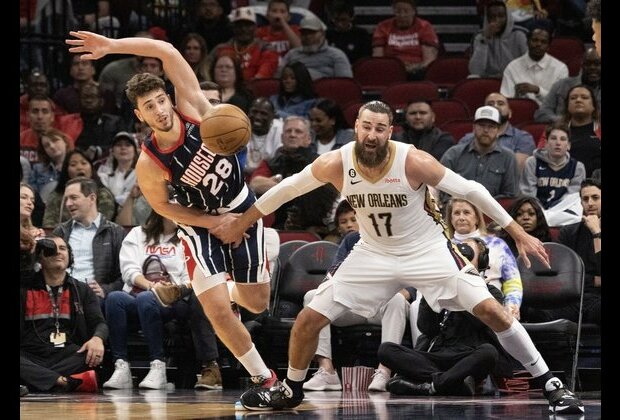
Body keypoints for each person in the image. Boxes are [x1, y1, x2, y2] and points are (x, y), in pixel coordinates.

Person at [211, 100, 583, 414]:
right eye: (366, 127)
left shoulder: (413, 161)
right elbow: (288, 189)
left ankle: (550, 382)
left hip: (428, 249)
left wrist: (515, 230)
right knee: (308, 318)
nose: (372, 135)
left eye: (380, 129)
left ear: (391, 131)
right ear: (356, 126)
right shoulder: (336, 162)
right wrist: (242, 222)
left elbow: (470, 189)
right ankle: (289, 389)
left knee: (491, 310)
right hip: (373, 251)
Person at [66, 30, 278, 392]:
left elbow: (165, 49)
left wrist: (112, 47)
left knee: (256, 304)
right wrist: (214, 222)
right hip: (200, 224)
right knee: (215, 311)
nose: (160, 110)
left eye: (161, 100)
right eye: (150, 107)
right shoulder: (149, 163)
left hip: (241, 206)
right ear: (140, 115)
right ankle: (265, 378)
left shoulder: (193, 108)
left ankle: (213, 287)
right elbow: (166, 207)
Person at [103, 210, 223, 390]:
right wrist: (152, 286)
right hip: (140, 293)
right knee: (114, 299)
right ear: (161, 209)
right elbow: (129, 270)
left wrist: (168, 290)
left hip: (173, 300)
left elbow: (189, 276)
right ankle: (121, 366)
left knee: (146, 298)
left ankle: (158, 366)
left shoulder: (188, 239)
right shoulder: (137, 234)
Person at [380, 240, 515, 396]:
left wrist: (463, 290)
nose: (461, 259)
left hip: (468, 357)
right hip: (437, 357)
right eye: (456, 255)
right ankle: (449, 382)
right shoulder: (440, 289)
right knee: (386, 350)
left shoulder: (491, 293)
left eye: (467, 255)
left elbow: (481, 323)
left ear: (482, 262)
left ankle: (430, 385)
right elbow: (427, 329)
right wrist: (431, 289)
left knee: (489, 353)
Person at [21, 236, 108, 392]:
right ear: (41, 256)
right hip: (30, 354)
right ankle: (63, 381)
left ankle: (37, 380)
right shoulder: (24, 287)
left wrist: (97, 338)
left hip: (68, 354)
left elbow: (100, 323)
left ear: (70, 256)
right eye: (51, 249)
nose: (58, 253)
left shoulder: (82, 290)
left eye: (62, 248)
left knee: (91, 356)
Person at [519, 122, 585, 226]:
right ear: (546, 143)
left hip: (563, 211)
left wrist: (553, 213)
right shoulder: (532, 162)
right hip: (535, 210)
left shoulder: (577, 167)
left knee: (577, 215)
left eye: (563, 139)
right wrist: (540, 212)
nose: (558, 143)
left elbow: (571, 199)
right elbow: (528, 193)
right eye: (553, 138)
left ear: (568, 145)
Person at [458, 92, 535, 174]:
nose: (495, 106)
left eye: (500, 104)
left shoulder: (523, 138)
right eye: (490, 104)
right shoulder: (467, 139)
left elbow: (516, 169)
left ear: (510, 113)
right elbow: (460, 166)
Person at [499, 26, 568, 106]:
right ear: (527, 42)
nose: (538, 44)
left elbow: (560, 102)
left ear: (548, 47)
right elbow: (506, 100)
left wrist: (538, 90)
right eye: (535, 40)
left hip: (549, 115)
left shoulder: (560, 69)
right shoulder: (512, 67)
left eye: (543, 42)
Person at [372, 0, 439, 80]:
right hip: (390, 70)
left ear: (414, 11)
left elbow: (429, 60)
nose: (402, 15)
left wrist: (414, 68)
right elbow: (378, 58)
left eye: (406, 11)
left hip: (418, 72)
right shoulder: (383, 27)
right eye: (398, 12)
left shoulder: (424, 27)